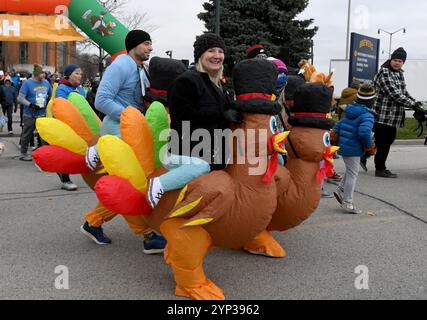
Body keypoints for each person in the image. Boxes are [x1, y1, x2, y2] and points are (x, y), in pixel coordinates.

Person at [81, 30, 166, 253]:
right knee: (133, 184)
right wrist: (131, 117)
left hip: (132, 131)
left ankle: (93, 222)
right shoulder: (120, 66)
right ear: (134, 45)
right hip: (118, 132)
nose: (150, 48)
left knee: (132, 184)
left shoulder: (141, 69)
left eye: (151, 43)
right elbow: (101, 100)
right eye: (146, 43)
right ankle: (148, 237)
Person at [147, 33, 240, 208]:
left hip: (212, 152)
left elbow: (226, 110)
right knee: (201, 167)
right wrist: (221, 115)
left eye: (220, 51)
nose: (217, 55)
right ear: (200, 55)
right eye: (211, 50)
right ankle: (159, 184)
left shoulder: (219, 84)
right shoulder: (187, 81)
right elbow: (183, 117)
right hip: (184, 152)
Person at [373, 47, 423, 178]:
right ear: (390, 59)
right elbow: (393, 93)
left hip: (393, 115)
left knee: (387, 140)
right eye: (395, 60)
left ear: (403, 63)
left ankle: (365, 155)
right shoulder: (384, 72)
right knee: (384, 141)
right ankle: (380, 168)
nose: (397, 63)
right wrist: (412, 104)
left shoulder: (399, 73)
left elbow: (403, 92)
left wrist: (417, 103)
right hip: (382, 114)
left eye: (400, 61)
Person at [332, 82, 376, 214]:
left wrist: (334, 136)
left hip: (345, 146)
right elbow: (364, 132)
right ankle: (348, 202)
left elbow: (338, 126)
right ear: (372, 101)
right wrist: (369, 146)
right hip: (354, 148)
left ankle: (340, 189)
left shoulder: (350, 110)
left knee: (351, 170)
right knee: (353, 174)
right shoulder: (367, 115)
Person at [54, 64, 86, 191]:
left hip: (79, 124)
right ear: (69, 75)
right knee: (66, 152)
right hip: (66, 125)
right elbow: (62, 108)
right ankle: (65, 180)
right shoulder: (62, 89)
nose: (80, 76)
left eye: (80, 74)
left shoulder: (81, 89)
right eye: (77, 73)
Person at [17, 65, 52, 161]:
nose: (44, 75)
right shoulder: (27, 83)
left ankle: (44, 154)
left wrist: (49, 103)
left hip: (42, 114)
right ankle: (23, 153)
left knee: (44, 135)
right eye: (42, 73)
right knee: (27, 134)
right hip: (29, 114)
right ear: (36, 74)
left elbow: (52, 95)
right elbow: (20, 98)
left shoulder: (46, 83)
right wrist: (31, 105)